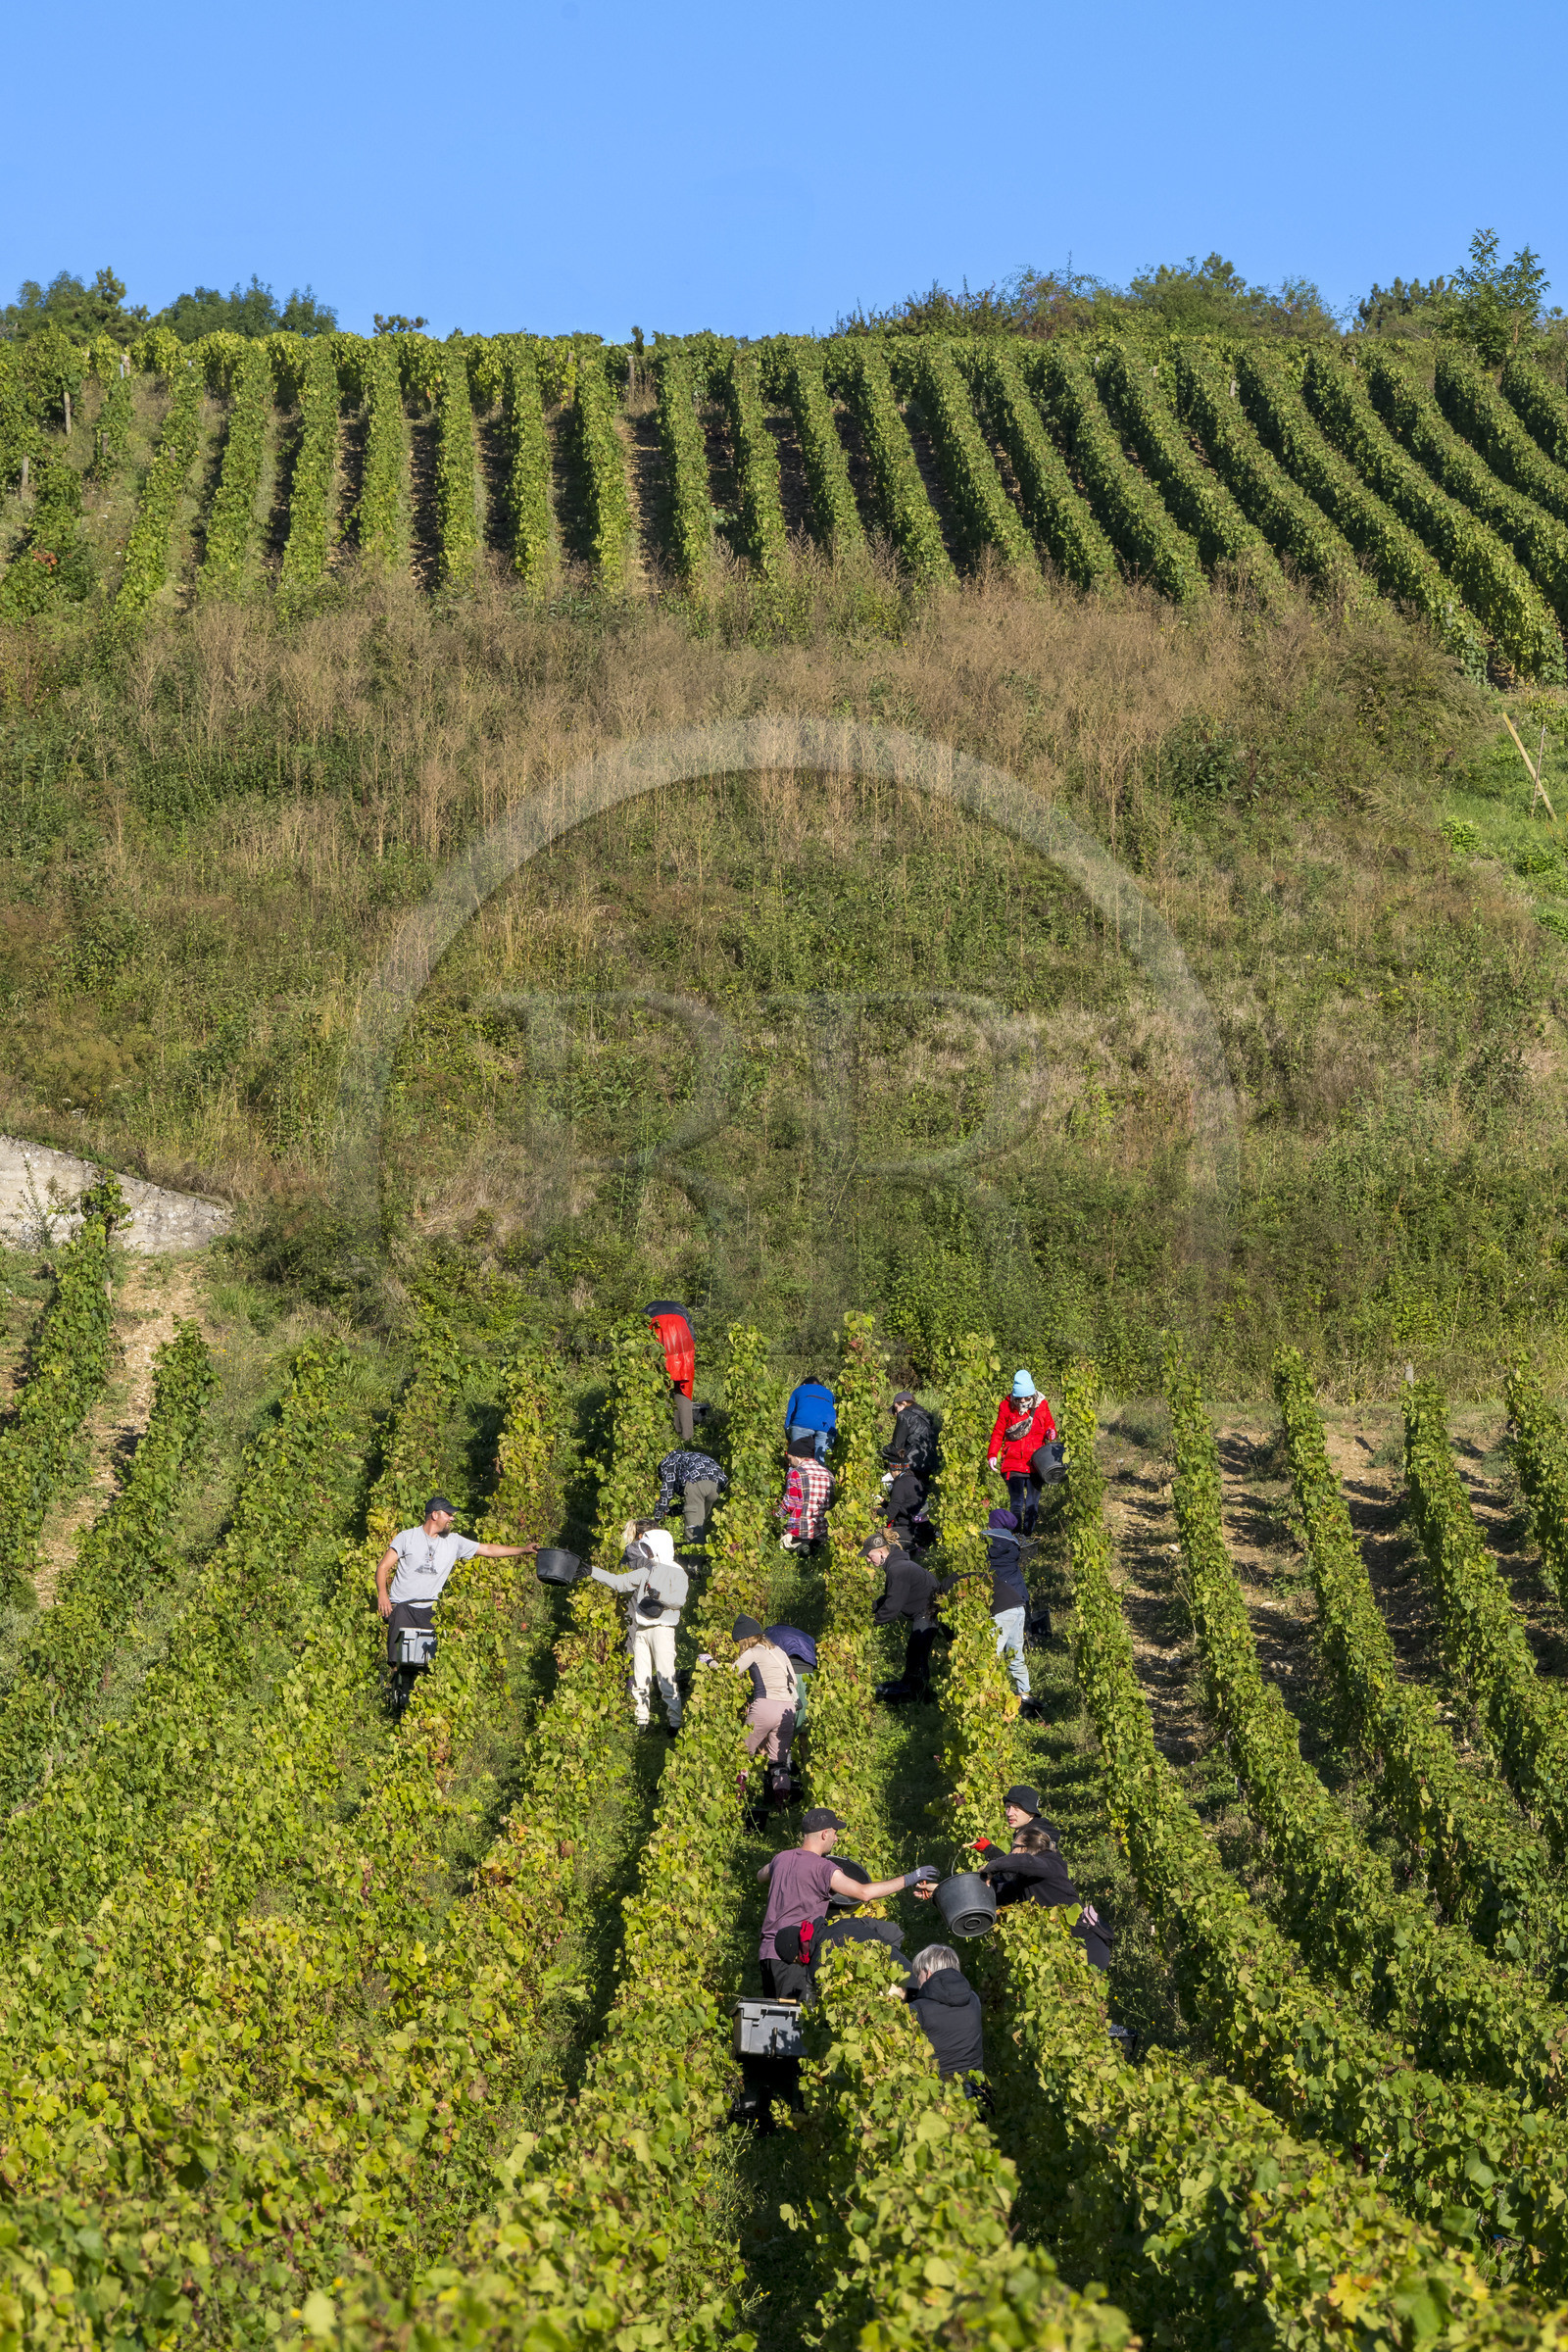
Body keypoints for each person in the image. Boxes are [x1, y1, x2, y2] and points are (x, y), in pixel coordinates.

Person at [756, 1809, 936, 1996]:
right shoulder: (823, 1868)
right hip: (795, 1957)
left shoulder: (781, 1858)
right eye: (835, 1832)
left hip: (767, 1953)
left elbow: (761, 1875)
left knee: (772, 2016)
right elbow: (863, 1892)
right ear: (825, 1834)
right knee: (793, 2020)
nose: (836, 1838)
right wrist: (910, 1878)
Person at [375, 1494, 532, 1666]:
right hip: (402, 1607)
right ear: (435, 1515)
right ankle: (396, 1690)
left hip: (429, 1610)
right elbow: (382, 1568)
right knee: (399, 1664)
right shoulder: (407, 1537)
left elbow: (487, 1549)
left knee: (426, 1666)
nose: (452, 1517)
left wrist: (523, 1550)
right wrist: (383, 1594)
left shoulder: (454, 1542)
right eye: (448, 1514)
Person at [972, 1822, 1112, 1971]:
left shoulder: (1050, 1862)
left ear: (1026, 1848)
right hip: (1063, 1949)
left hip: (1086, 1948)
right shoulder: (1027, 1880)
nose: (1011, 1853)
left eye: (1014, 1848)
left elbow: (1023, 1861)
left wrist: (992, 1866)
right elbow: (1003, 1892)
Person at [591, 1527, 689, 1733]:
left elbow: (679, 1601)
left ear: (660, 1548)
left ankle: (674, 1722)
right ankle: (641, 1720)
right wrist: (592, 1571)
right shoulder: (647, 1570)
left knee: (666, 1676)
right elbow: (620, 1582)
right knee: (640, 1675)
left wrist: (658, 1596)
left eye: (650, 1549)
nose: (649, 1554)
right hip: (642, 1629)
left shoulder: (677, 1572)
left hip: (663, 1630)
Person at [887, 1943, 986, 2083]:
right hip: (975, 2089)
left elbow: (891, 2036)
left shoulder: (918, 2009)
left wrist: (892, 2000)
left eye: (918, 1974)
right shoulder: (973, 1999)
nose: (917, 1980)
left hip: (940, 2094)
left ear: (928, 1973)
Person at [868, 1531, 940, 1703]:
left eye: (870, 1557)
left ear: (880, 1552)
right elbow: (892, 1595)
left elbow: (893, 1606)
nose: (868, 1561)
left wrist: (870, 1622)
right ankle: (916, 1691)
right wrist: (871, 1607)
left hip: (928, 1612)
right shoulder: (898, 1565)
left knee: (916, 1653)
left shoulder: (898, 1569)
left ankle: (919, 1695)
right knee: (916, 1652)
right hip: (926, 1611)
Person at [986, 1371, 1058, 1534]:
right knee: (1017, 1503)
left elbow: (1050, 1425)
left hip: (1037, 1463)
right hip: (1013, 1462)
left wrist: (1051, 1432)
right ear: (1013, 1396)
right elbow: (998, 1432)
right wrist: (992, 1455)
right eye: (1019, 1398)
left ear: (1032, 1395)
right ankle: (1016, 1536)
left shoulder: (1042, 1405)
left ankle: (1028, 1535)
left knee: (1032, 1504)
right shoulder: (1006, 1406)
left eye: (1026, 1398)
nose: (1023, 1401)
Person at [729, 1616, 799, 1767]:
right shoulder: (779, 1651)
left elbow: (730, 1673)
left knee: (741, 1755)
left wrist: (710, 1662)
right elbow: (794, 1681)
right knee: (778, 1764)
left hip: (765, 1706)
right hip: (787, 1709)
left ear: (744, 1639)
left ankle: (740, 1788)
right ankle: (781, 1790)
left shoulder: (753, 1652)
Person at [986, 1507, 1031, 1699]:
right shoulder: (1014, 1546)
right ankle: (1025, 1696)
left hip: (1001, 1608)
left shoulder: (982, 1544)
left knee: (989, 1656)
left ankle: (990, 1699)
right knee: (1016, 1656)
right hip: (1018, 1605)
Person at [655, 1444, 727, 1544]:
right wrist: (669, 1511)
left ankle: (696, 1558)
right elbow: (688, 1507)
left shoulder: (669, 1463)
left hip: (696, 1481)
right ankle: (708, 1554)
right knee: (701, 1523)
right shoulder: (688, 1457)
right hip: (716, 1485)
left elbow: (667, 1492)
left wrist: (656, 1518)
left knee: (693, 1529)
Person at [646, 1299, 697, 1443]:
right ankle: (686, 1436)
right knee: (682, 1388)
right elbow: (692, 1337)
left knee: (660, 1388)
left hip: (660, 1342)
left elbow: (641, 1337)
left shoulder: (648, 1310)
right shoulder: (681, 1309)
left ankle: (664, 1435)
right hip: (683, 1345)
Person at [779, 1436, 833, 1553]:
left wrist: (776, 1515)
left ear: (797, 1457)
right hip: (822, 1530)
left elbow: (790, 1504)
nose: (789, 1464)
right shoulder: (828, 1474)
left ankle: (798, 1547)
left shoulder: (796, 1473)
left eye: (790, 1459)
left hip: (800, 1531)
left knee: (783, 1541)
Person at [766, 1621, 817, 1726]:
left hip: (785, 1673)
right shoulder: (804, 1635)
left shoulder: (769, 1632)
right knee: (803, 1720)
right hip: (807, 1673)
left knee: (780, 1721)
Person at [883, 1449, 931, 1554]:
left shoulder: (900, 1484)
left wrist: (877, 1510)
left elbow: (889, 1515)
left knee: (880, 1536)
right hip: (920, 1529)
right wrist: (884, 1503)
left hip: (910, 1530)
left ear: (894, 1469)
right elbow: (901, 1507)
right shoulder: (913, 1480)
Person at [784, 1373, 837, 1464]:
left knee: (798, 1460)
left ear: (804, 1384)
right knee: (822, 1462)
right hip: (827, 1428)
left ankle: (796, 1477)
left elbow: (790, 1415)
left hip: (802, 1424)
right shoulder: (829, 1393)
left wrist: (789, 1436)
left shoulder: (798, 1390)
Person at [886, 1392, 937, 1478]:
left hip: (914, 1463)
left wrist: (883, 1451)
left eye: (895, 1408)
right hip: (931, 1462)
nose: (895, 1413)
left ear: (904, 1404)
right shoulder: (926, 1415)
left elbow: (897, 1446)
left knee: (891, 1455)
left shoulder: (904, 1415)